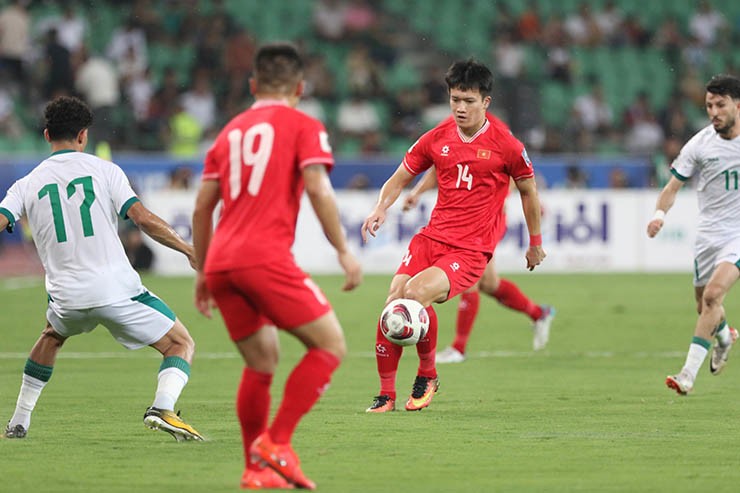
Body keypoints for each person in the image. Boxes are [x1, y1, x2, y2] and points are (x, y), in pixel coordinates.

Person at [191, 43, 362, 490]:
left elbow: (202, 208)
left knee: (262, 362)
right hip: (262, 257)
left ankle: (256, 471)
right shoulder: (304, 125)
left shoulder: (228, 132)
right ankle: (278, 443)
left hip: (224, 263)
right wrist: (343, 249)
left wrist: (204, 273)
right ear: (300, 88)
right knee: (330, 346)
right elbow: (320, 190)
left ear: (253, 85)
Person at [0, 96, 202, 441]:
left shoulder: (25, 184)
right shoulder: (105, 170)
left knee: (52, 335)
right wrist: (186, 249)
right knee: (180, 344)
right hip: (116, 290)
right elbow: (143, 219)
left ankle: (19, 422)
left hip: (66, 298)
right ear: (83, 135)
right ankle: (162, 408)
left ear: (47, 135)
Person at [361, 59, 546, 413]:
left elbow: (528, 192)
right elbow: (400, 176)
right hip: (432, 237)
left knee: (414, 294)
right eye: (455, 99)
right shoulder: (438, 136)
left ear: (486, 102)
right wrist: (380, 207)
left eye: (469, 101)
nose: (460, 108)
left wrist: (535, 243)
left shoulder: (506, 145)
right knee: (392, 303)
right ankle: (386, 395)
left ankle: (428, 375)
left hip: (471, 248)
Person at [647, 74, 740, 396]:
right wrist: (660, 215)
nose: (713, 112)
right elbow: (672, 188)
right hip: (708, 236)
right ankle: (725, 335)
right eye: (709, 106)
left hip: (737, 235)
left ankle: (687, 375)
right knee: (705, 306)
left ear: (737, 105)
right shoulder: (700, 145)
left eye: (720, 105)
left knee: (714, 295)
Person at [402, 170, 555, 363]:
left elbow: (521, 176)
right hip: (464, 218)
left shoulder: (501, 143)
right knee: (490, 284)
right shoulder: (458, 142)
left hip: (487, 221)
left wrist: (534, 202)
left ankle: (459, 348)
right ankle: (539, 313)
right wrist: (417, 192)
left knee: (468, 278)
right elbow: (436, 169)